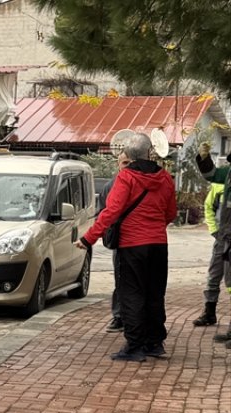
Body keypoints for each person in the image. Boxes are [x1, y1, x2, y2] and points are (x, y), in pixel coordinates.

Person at [75, 133, 177, 361]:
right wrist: (154, 228)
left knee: (131, 294)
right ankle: (154, 343)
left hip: (132, 245)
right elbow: (170, 213)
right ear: (150, 153)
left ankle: (135, 346)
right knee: (154, 293)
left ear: (129, 156)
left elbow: (111, 212)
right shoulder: (166, 178)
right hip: (159, 244)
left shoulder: (126, 177)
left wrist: (88, 238)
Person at [194, 144, 231, 346]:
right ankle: (210, 312)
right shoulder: (228, 173)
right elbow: (211, 174)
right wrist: (203, 157)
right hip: (224, 236)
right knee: (217, 275)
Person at [97, 153, 131, 332]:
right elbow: (102, 213)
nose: (126, 165)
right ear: (118, 164)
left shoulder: (140, 183)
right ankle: (118, 316)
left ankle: (135, 317)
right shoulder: (110, 186)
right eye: (124, 162)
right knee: (120, 278)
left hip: (138, 239)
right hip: (119, 240)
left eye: (129, 162)